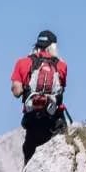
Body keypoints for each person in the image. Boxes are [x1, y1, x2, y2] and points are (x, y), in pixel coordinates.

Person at [11, 30, 69, 162]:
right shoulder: (62, 65)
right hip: (55, 119)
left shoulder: (22, 62)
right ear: (53, 46)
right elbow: (61, 90)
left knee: (31, 158)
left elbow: (16, 92)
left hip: (33, 121)